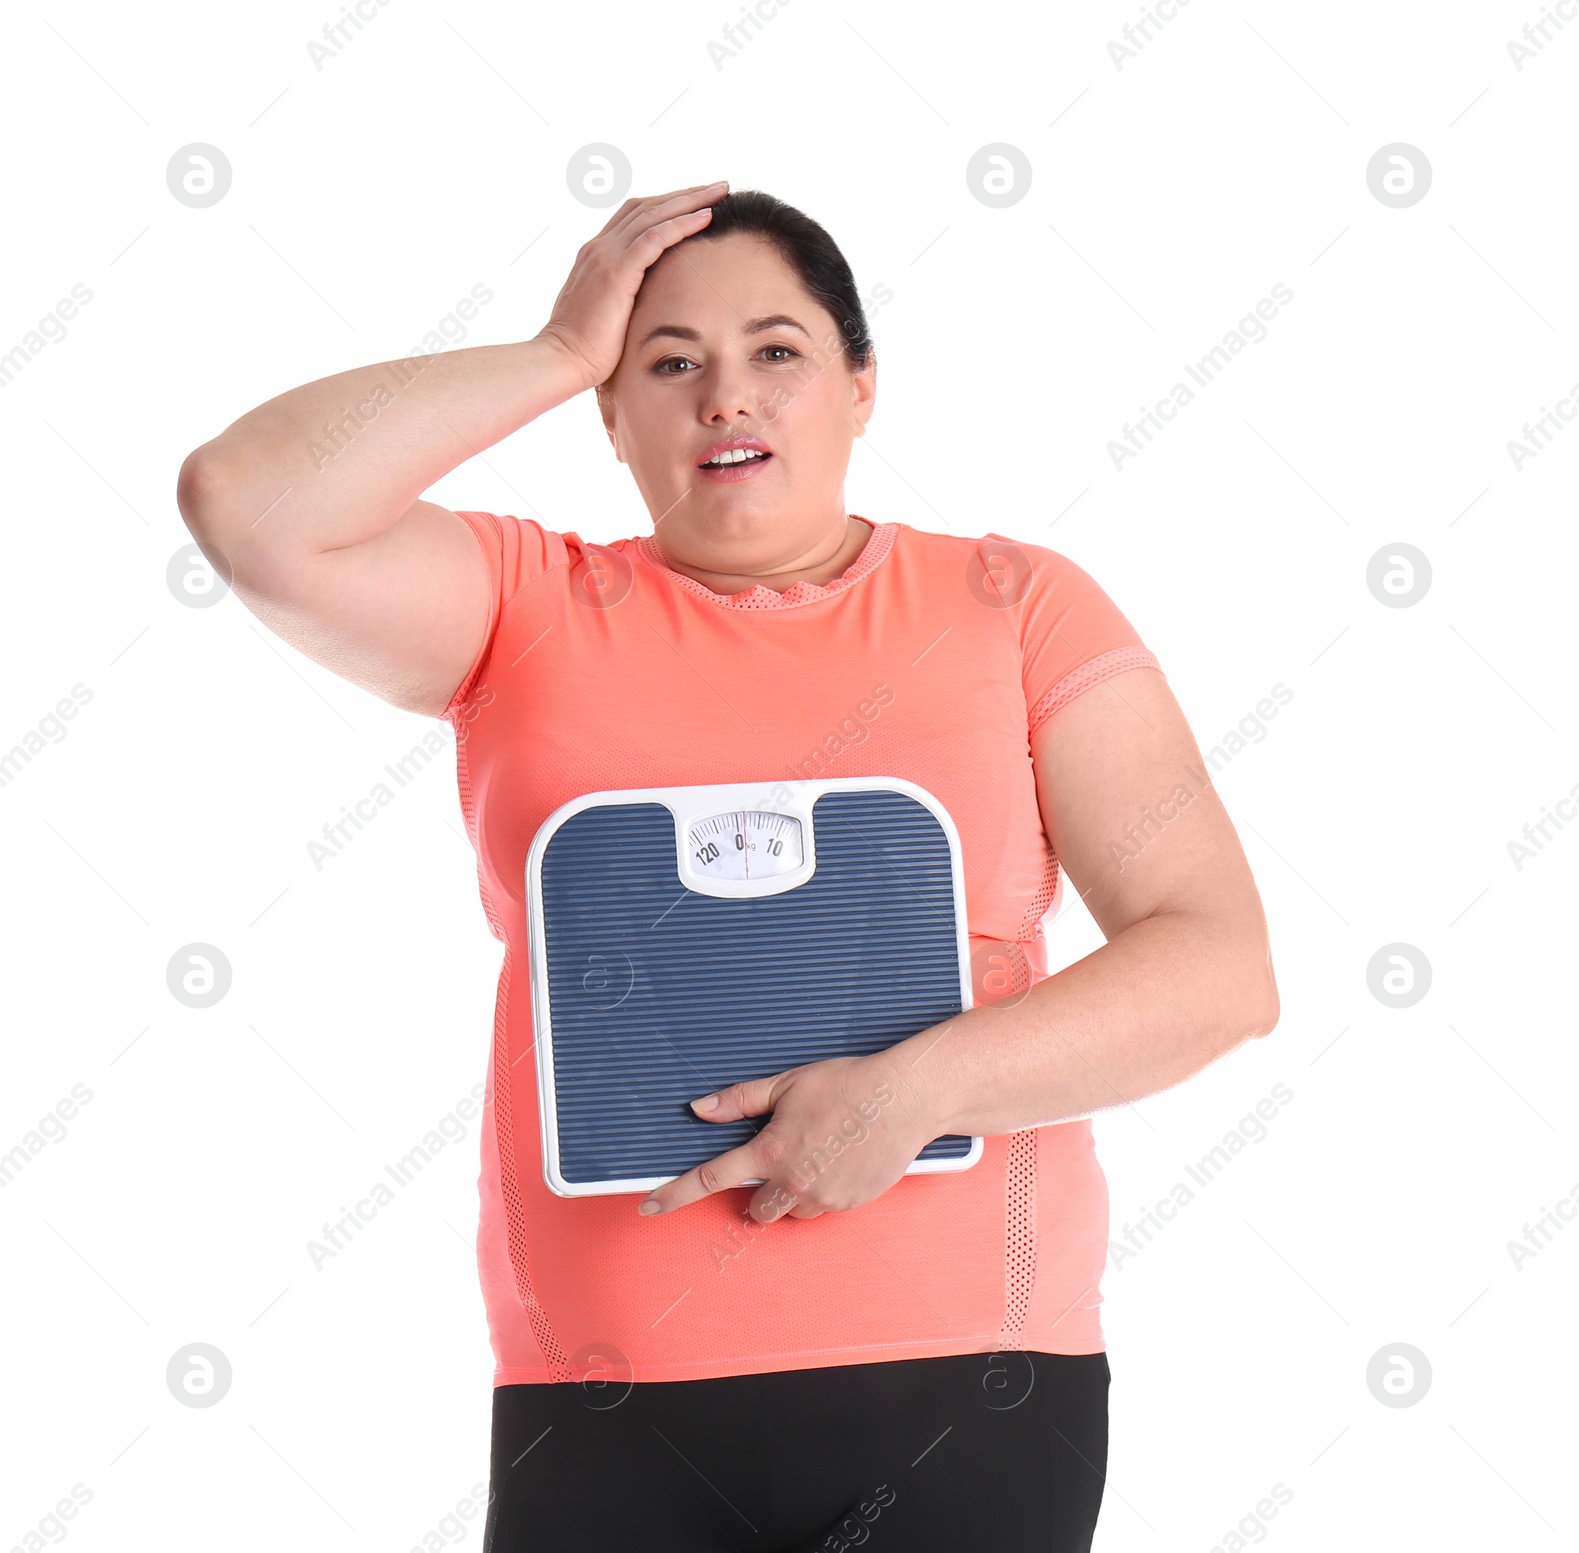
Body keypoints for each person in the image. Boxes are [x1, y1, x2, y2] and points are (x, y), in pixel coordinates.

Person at [177, 181, 1279, 1552]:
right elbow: (246, 501)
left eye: (777, 352)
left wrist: (911, 1092)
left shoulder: (1014, 606)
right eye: (669, 362)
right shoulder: (521, 611)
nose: (726, 398)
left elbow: (1221, 966)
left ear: (862, 387)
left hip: (970, 1394)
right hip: (603, 1403)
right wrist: (554, 350)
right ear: (613, 416)